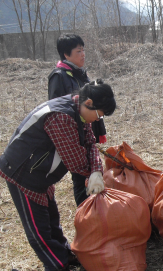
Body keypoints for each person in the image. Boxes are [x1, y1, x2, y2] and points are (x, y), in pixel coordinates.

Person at [0, 80, 116, 271]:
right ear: (88, 102)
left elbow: (90, 144)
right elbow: (76, 160)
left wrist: (97, 170)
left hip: (41, 171)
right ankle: (55, 268)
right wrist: (93, 171)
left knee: (52, 216)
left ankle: (63, 252)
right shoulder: (61, 117)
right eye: (99, 114)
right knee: (38, 225)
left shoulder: (78, 110)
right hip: (23, 172)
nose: (97, 119)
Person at [48, 33, 108, 206]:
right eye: (78, 51)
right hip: (72, 134)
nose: (83, 54)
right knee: (81, 175)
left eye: (83, 50)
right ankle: (85, 210)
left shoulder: (80, 74)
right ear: (66, 54)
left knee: (90, 169)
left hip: (86, 131)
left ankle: (94, 208)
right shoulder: (59, 76)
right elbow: (57, 110)